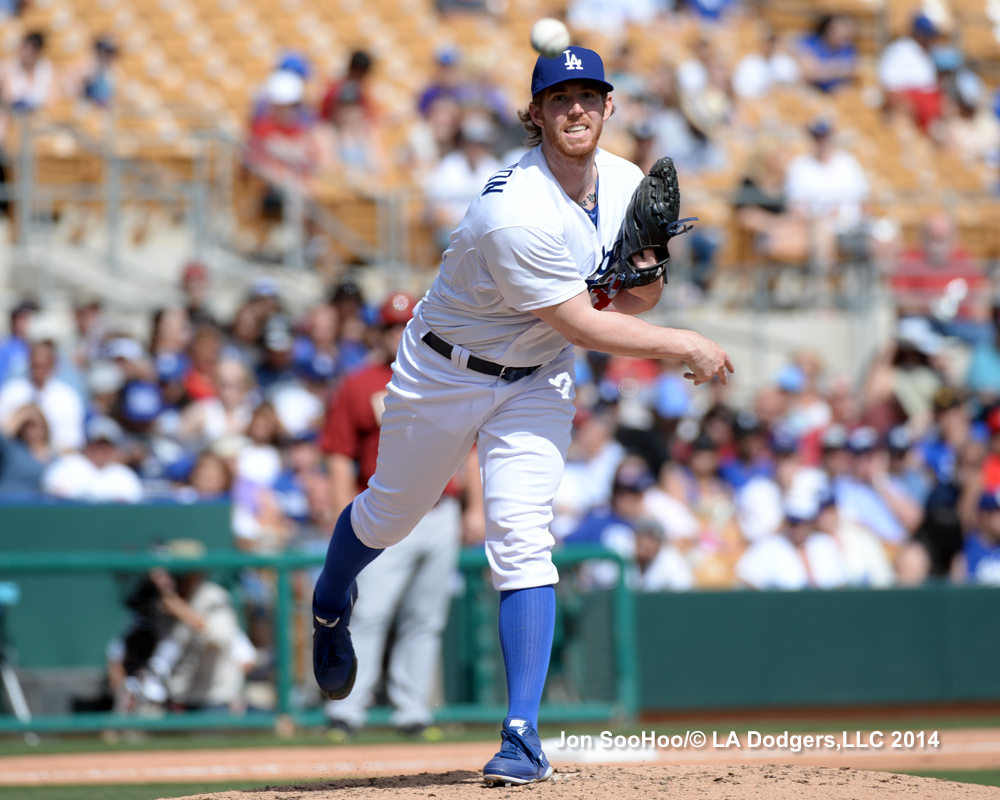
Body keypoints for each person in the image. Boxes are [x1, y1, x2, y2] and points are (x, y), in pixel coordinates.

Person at [310, 45, 733, 786]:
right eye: (559, 97)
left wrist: (648, 270)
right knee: (390, 515)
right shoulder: (514, 208)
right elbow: (586, 324)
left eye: (588, 95)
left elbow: (628, 302)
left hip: (536, 378)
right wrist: (682, 344)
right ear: (534, 114)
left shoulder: (629, 182)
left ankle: (521, 735)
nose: (576, 107)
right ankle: (329, 597)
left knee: (522, 536)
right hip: (443, 369)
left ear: (609, 107)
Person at [319, 292, 477, 740]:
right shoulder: (358, 383)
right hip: (385, 511)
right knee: (371, 611)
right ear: (378, 331)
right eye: (391, 325)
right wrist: (340, 517)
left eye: (405, 323)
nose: (398, 332)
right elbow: (337, 456)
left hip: (441, 509)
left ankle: (412, 710)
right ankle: (347, 711)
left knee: (425, 617)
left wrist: (476, 508)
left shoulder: (444, 373)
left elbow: (471, 445)